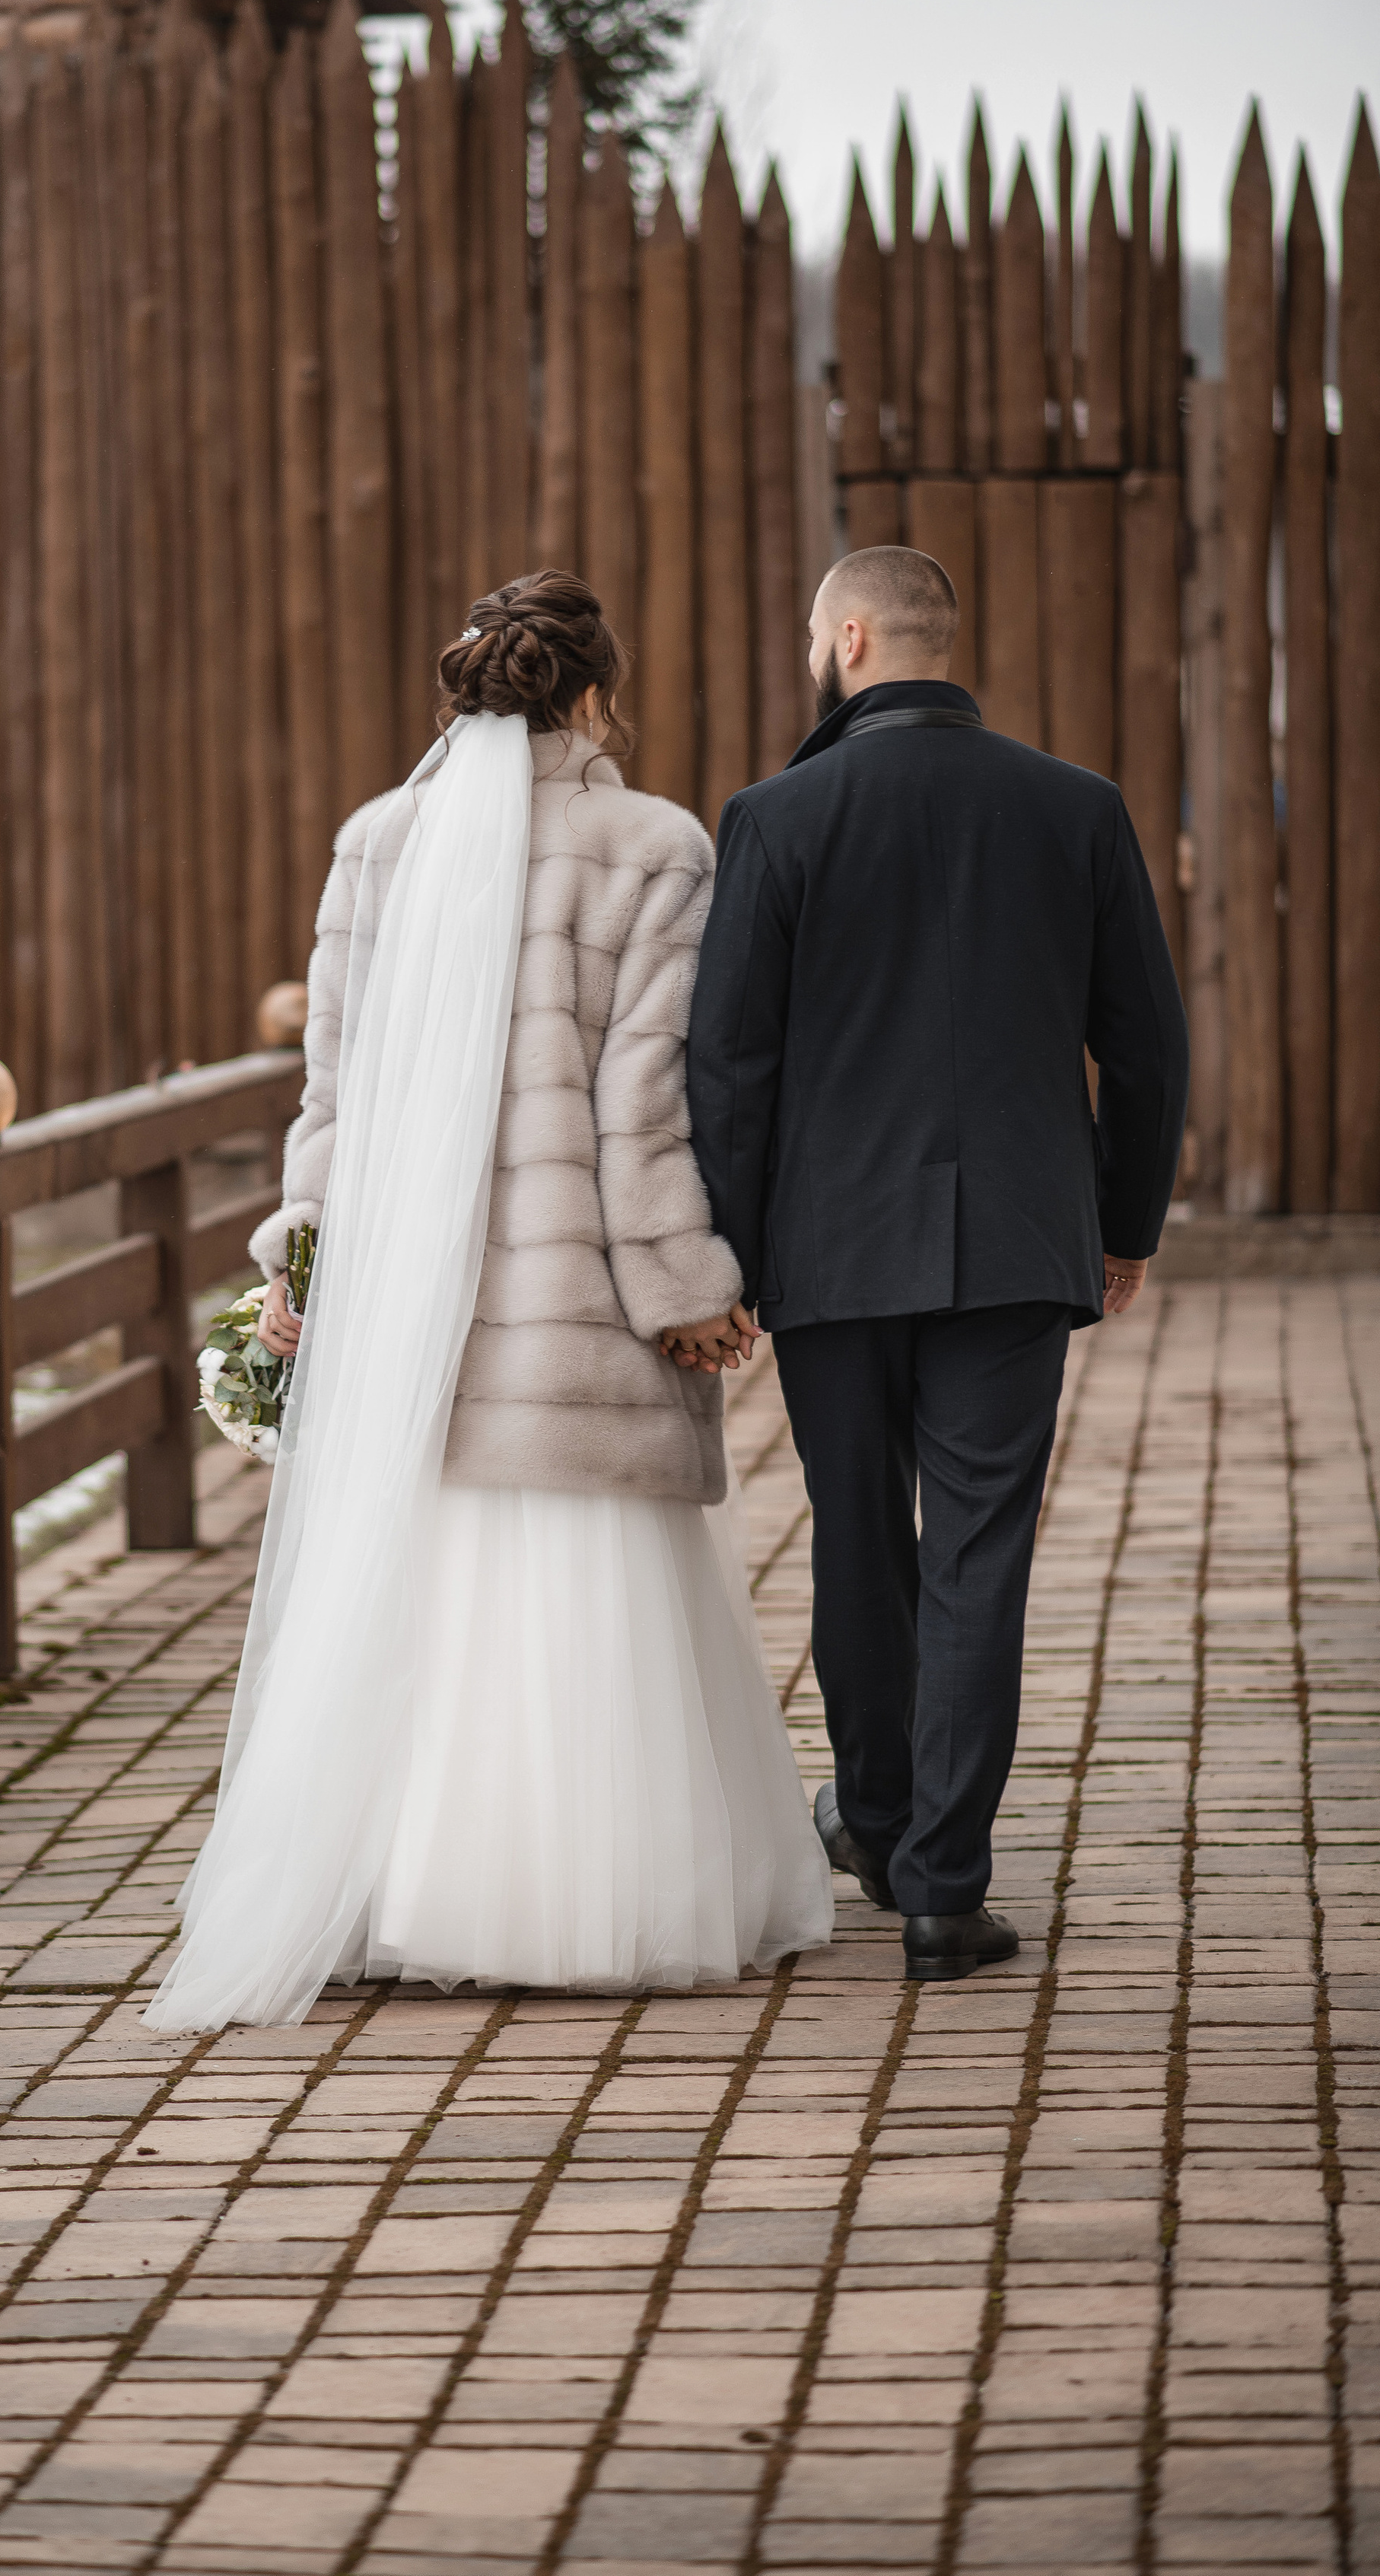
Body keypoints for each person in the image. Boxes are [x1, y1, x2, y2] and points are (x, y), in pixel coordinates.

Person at [143, 571, 832, 2034]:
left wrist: (306, 1267)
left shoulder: (376, 844)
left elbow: (332, 1096)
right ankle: (593, 1893)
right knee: (584, 1606)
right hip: (574, 1316)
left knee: (428, 1598)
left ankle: (399, 1888)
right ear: (597, 696)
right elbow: (643, 1107)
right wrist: (685, 1288)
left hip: (417, 1324)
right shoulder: (655, 848)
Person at [674, 545, 1189, 1982]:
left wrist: (729, 1253)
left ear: (848, 638)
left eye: (813, 634)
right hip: (1021, 1246)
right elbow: (1147, 1045)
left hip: (829, 1250)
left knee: (857, 1537)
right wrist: (1124, 1226)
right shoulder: (1077, 806)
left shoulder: (775, 816)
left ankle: (884, 1825)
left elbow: (729, 1063)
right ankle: (946, 1895)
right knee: (978, 1557)